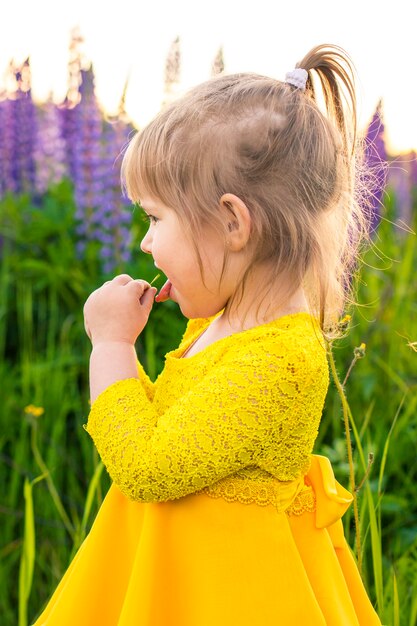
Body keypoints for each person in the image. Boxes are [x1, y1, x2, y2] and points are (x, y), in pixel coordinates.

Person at [33, 44, 381, 625]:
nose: (145, 243)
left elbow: (147, 467)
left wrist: (113, 348)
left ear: (232, 223)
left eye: (155, 217)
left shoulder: (281, 359)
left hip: (225, 593)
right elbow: (173, 432)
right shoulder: (217, 324)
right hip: (172, 577)